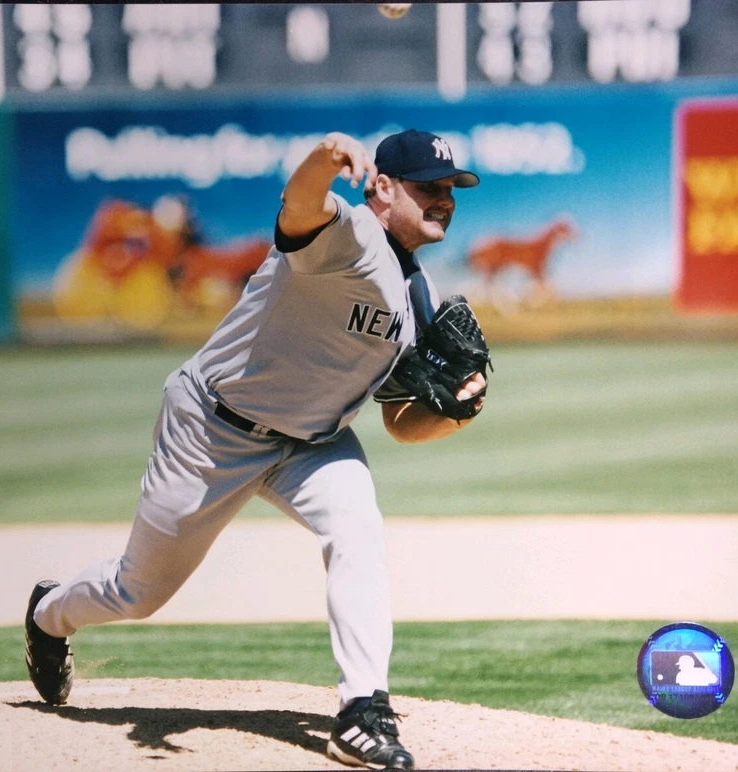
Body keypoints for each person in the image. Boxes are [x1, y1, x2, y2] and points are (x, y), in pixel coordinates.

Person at [24, 129, 485, 770]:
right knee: (139, 592)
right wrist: (325, 159)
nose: (444, 200)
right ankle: (49, 615)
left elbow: (403, 425)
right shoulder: (345, 235)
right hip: (213, 430)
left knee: (358, 530)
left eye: (450, 190)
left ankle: (362, 712)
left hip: (312, 443)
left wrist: (457, 411)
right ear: (382, 186)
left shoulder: (418, 298)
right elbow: (298, 205)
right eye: (427, 188)